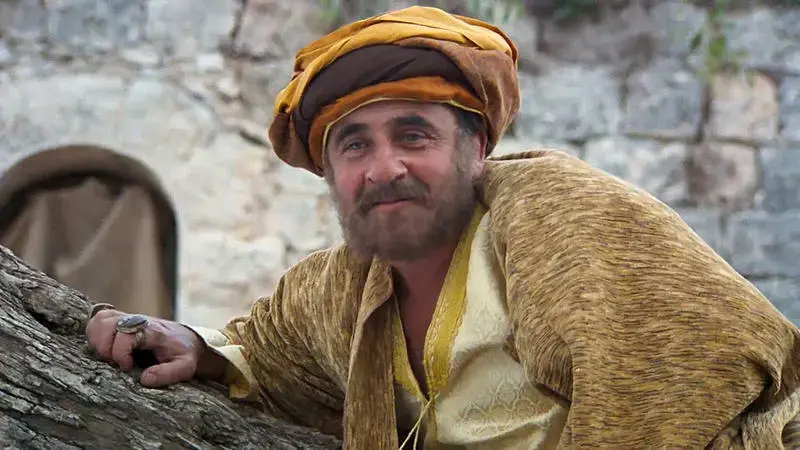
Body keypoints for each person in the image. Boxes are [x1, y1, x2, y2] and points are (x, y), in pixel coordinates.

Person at [85, 6, 800, 449]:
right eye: (354, 146)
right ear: (329, 172)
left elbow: (706, 355)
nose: (383, 168)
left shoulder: (557, 212)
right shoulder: (334, 288)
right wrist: (195, 347)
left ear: (476, 147)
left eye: (413, 135)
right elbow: (271, 355)